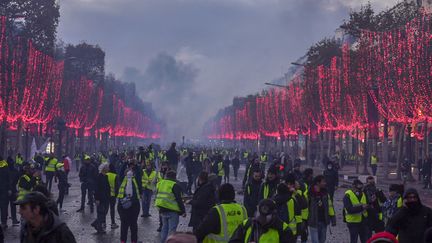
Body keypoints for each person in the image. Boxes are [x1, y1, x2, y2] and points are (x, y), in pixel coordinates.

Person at [229, 199, 295, 243]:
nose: (261, 218)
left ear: (273, 214)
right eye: (259, 214)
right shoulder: (247, 224)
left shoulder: (283, 230)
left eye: (264, 217)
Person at [155, 170, 186, 243]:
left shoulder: (160, 183)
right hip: (172, 211)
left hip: (162, 209)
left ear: (166, 176)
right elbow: (179, 199)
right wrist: (183, 211)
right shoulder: (174, 184)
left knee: (164, 230)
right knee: (172, 231)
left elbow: (157, 194)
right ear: (174, 177)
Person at [308, 175, 336, 243]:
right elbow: (305, 207)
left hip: (323, 221)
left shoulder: (325, 193)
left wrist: (333, 218)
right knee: (315, 241)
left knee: (322, 240)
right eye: (323, 182)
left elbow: (330, 206)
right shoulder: (309, 193)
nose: (325, 183)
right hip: (313, 222)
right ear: (318, 183)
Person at [118, 167, 141, 243]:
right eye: (128, 173)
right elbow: (120, 172)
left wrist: (135, 165)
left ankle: (131, 241)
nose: (129, 174)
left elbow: (139, 172)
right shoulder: (122, 180)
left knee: (131, 225)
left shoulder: (135, 180)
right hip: (124, 206)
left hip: (132, 206)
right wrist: (124, 163)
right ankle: (125, 241)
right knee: (128, 225)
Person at [91, 163, 111, 234]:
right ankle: (99, 228)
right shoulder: (99, 177)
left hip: (106, 198)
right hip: (100, 199)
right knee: (101, 213)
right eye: (107, 167)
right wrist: (96, 199)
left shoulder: (106, 176)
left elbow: (107, 187)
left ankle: (95, 223)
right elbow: (96, 189)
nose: (109, 168)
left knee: (104, 213)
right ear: (104, 169)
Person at [107, 163, 119, 229]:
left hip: (106, 195)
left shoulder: (106, 174)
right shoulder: (115, 176)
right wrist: (116, 195)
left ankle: (103, 223)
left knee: (105, 210)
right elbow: (117, 187)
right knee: (112, 210)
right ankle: (113, 223)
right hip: (113, 195)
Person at [0, 156, 9, 229]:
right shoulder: (5, 166)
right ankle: (4, 222)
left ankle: (4, 222)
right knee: (4, 206)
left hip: (3, 189)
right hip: (4, 189)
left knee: (3, 206)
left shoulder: (4, 166)